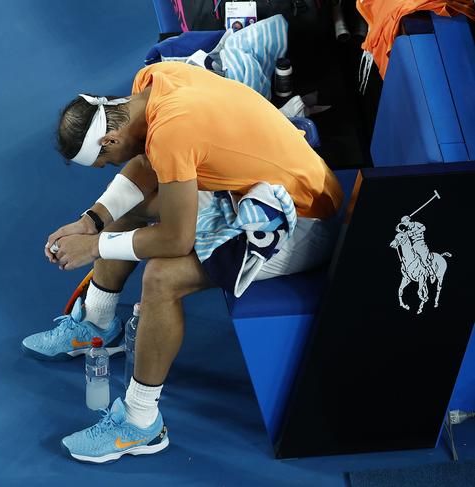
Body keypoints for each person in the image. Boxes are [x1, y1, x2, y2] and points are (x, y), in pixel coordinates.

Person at [22, 62, 343, 463]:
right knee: (129, 209)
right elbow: (144, 165)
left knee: (162, 277)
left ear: (109, 139)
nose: (110, 167)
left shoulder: (172, 131)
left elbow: (175, 240)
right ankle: (98, 324)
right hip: (254, 187)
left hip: (303, 219)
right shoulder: (151, 83)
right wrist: (92, 222)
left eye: (106, 161)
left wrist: (96, 247)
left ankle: (141, 424)